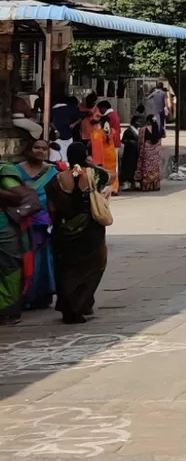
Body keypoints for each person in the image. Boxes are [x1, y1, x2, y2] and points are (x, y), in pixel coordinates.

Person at [49, 138, 109, 324]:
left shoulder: (57, 178)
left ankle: (67, 307)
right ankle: (82, 304)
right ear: (85, 156)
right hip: (90, 230)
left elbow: (51, 208)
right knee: (92, 268)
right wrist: (89, 164)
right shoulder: (92, 175)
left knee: (66, 270)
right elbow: (111, 176)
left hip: (63, 230)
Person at [8, 136, 57, 312]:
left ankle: (42, 295)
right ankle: (25, 296)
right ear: (28, 149)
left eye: (44, 149)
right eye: (37, 147)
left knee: (43, 258)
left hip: (44, 220)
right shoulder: (15, 170)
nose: (40, 152)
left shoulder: (52, 172)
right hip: (21, 218)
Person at [136, 113, 164, 192]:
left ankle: (146, 186)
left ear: (148, 121)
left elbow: (140, 142)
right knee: (155, 169)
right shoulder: (159, 129)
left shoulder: (143, 130)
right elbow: (164, 135)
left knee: (147, 169)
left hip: (147, 154)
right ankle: (155, 186)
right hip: (156, 154)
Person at [119, 113, 143, 191]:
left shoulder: (140, 130)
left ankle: (136, 182)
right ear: (134, 122)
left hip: (137, 152)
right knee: (128, 167)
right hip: (129, 153)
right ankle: (126, 183)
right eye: (138, 121)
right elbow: (123, 140)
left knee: (136, 166)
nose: (139, 123)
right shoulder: (128, 131)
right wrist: (130, 142)